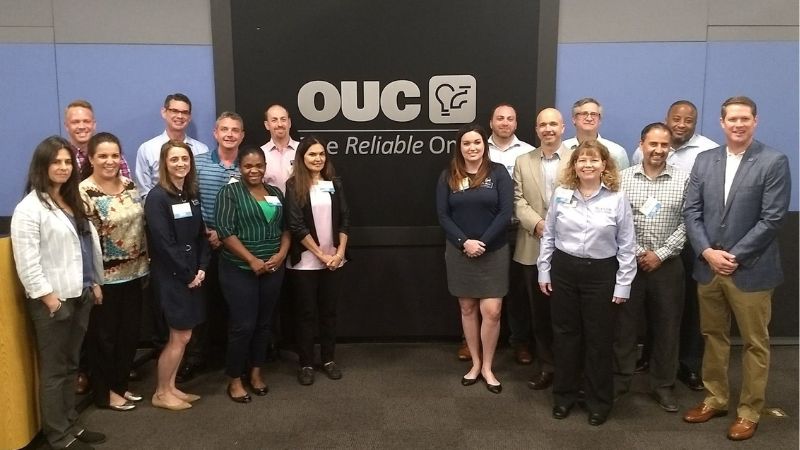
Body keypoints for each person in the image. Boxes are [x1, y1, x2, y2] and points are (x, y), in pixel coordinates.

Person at [682, 96, 791, 441]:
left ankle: (749, 411)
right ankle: (715, 398)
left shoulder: (773, 161)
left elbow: (772, 219)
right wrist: (708, 253)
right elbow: (691, 211)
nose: (738, 124)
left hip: (751, 270)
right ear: (722, 122)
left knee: (755, 344)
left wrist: (734, 256)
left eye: (745, 118)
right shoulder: (704, 160)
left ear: (755, 121)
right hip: (709, 267)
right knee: (713, 337)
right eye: (732, 119)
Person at [11, 136, 107, 449]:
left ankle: (71, 424)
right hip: (54, 302)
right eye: (56, 162)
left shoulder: (70, 200)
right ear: (42, 166)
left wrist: (94, 283)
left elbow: (83, 248)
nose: (64, 167)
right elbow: (27, 261)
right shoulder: (29, 209)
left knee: (70, 366)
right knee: (54, 371)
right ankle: (57, 434)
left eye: (68, 162)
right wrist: (48, 297)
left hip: (80, 295)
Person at [537, 140, 636, 426]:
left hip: (601, 274)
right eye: (582, 160)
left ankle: (598, 402)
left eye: (594, 160)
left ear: (605, 165)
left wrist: (623, 285)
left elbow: (627, 246)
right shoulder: (561, 194)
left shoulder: (617, 198)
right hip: (564, 271)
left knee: (599, 340)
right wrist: (544, 271)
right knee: (565, 336)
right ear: (574, 165)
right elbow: (549, 236)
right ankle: (564, 397)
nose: (588, 165)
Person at [631, 100, 719, 390]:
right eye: (676, 119)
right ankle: (641, 364)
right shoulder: (630, 169)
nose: (681, 124)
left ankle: (685, 366)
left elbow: (691, 215)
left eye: (688, 120)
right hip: (636, 253)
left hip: (685, 246)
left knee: (679, 312)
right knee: (635, 318)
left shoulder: (707, 152)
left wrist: (663, 252)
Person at [615, 123, 689, 412]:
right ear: (641, 144)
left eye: (664, 145)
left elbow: (689, 221)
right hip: (629, 265)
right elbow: (617, 221)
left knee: (667, 328)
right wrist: (635, 252)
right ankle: (620, 381)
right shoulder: (622, 179)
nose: (658, 150)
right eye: (653, 144)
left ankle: (663, 386)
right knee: (624, 327)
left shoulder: (684, 180)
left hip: (667, 266)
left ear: (669, 147)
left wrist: (660, 253)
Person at [436, 124, 513, 394]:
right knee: (467, 309)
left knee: (492, 311)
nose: (472, 147)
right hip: (460, 253)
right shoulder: (449, 175)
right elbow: (443, 216)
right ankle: (476, 364)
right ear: (460, 147)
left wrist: (482, 243)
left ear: (485, 145)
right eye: (466, 143)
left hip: (493, 251)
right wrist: (464, 242)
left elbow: (506, 213)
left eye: (477, 142)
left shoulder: (498, 173)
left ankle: (489, 367)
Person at [79, 133, 149, 411]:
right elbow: (84, 242)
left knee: (128, 334)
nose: (110, 161)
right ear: (92, 159)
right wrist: (92, 280)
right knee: (103, 339)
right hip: (104, 278)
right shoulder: (84, 192)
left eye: (115, 155)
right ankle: (104, 393)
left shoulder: (130, 185)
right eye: (103, 156)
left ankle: (120, 386)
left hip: (135, 272)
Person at [215, 145, 290, 403]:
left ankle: (256, 372)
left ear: (265, 167)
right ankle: (234, 379)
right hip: (239, 269)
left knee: (264, 323)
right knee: (242, 325)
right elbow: (225, 231)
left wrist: (281, 255)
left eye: (259, 165)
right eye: (248, 165)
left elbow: (286, 228)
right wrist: (252, 259)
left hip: (272, 269)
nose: (254, 170)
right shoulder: (230, 192)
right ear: (240, 167)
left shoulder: (274, 192)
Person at [144, 140, 210, 410]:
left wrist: (202, 267)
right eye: (174, 159)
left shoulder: (189, 194)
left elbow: (200, 236)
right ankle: (160, 392)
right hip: (173, 277)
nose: (181, 163)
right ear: (165, 164)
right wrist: (187, 275)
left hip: (194, 273)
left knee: (183, 336)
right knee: (179, 336)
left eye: (185, 158)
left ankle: (171, 387)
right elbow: (163, 243)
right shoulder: (157, 197)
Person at [181, 112, 245, 382]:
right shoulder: (197, 164)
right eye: (224, 129)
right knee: (200, 305)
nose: (230, 134)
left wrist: (226, 233)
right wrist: (206, 232)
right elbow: (188, 201)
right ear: (215, 133)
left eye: (235, 130)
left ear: (242, 135)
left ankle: (236, 359)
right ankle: (196, 358)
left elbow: (249, 207)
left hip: (238, 246)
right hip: (203, 247)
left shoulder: (249, 166)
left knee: (236, 306)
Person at [513, 108, 573, 390]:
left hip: (570, 249)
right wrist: (537, 224)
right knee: (539, 315)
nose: (548, 129)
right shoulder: (523, 161)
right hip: (532, 247)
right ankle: (546, 366)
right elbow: (518, 200)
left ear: (562, 127)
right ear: (536, 130)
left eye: (553, 124)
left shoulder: (578, 159)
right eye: (542, 125)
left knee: (568, 315)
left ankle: (569, 369)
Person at [285, 136, 350, 386]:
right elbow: (296, 225)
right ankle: (306, 363)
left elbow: (345, 218)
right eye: (312, 154)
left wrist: (339, 252)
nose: (318, 158)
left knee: (329, 312)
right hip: (305, 263)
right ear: (302, 158)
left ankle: (328, 359)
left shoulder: (334, 183)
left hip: (334, 261)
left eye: (321, 154)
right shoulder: (293, 186)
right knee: (306, 313)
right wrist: (321, 255)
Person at [485, 103, 535, 366]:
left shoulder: (528, 152)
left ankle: (520, 342)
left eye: (510, 119)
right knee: (481, 287)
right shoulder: (478, 149)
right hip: (484, 230)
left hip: (517, 229)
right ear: (491, 123)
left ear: (516, 124)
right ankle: (471, 341)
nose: (505, 122)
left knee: (518, 289)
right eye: (500, 118)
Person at [134, 93, 210, 198]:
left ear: (189, 117)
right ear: (164, 112)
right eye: (174, 111)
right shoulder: (147, 149)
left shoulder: (202, 150)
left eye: (184, 112)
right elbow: (144, 192)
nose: (180, 116)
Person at [64, 100, 131, 179]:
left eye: (86, 121)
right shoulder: (61, 157)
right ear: (66, 126)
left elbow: (126, 188)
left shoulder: (113, 156)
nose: (81, 126)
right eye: (75, 122)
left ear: (94, 124)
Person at [562, 98, 629, 170]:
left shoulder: (617, 152)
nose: (589, 118)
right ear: (574, 119)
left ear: (599, 120)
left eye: (594, 114)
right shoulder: (562, 149)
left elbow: (622, 179)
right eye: (584, 114)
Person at [261, 104, 300, 194]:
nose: (280, 124)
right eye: (274, 120)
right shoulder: (261, 153)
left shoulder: (302, 150)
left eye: (283, 120)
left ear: (289, 123)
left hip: (299, 206)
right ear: (267, 125)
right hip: (272, 206)